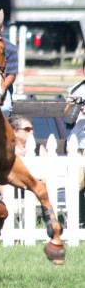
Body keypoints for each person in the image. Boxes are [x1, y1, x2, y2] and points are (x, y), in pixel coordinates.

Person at [65, 71, 85, 227]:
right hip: (77, 141)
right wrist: (72, 105)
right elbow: (67, 117)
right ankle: (78, 219)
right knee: (76, 183)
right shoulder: (77, 88)